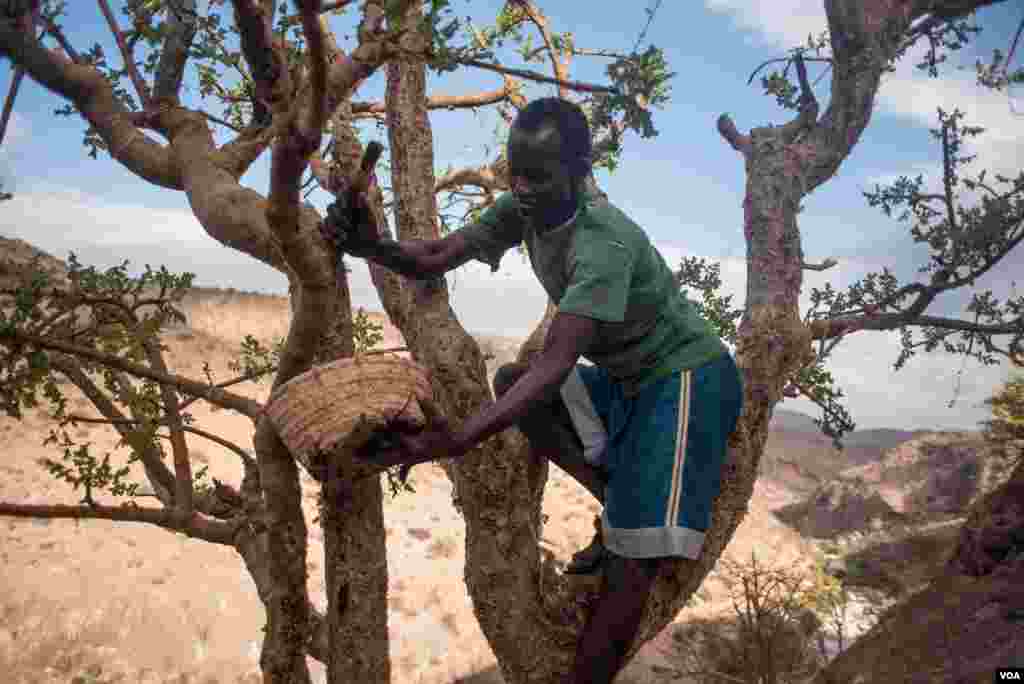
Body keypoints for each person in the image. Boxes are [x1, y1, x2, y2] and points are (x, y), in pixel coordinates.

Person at [320, 97, 744, 684]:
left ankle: (627, 539)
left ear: (578, 170)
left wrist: (457, 438)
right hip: (629, 384)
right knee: (514, 384)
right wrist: (373, 246)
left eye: (537, 176)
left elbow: (557, 361)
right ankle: (627, 500)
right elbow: (439, 256)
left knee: (630, 569)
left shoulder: (605, 240)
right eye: (514, 171)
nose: (520, 186)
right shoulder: (527, 207)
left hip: (685, 379)